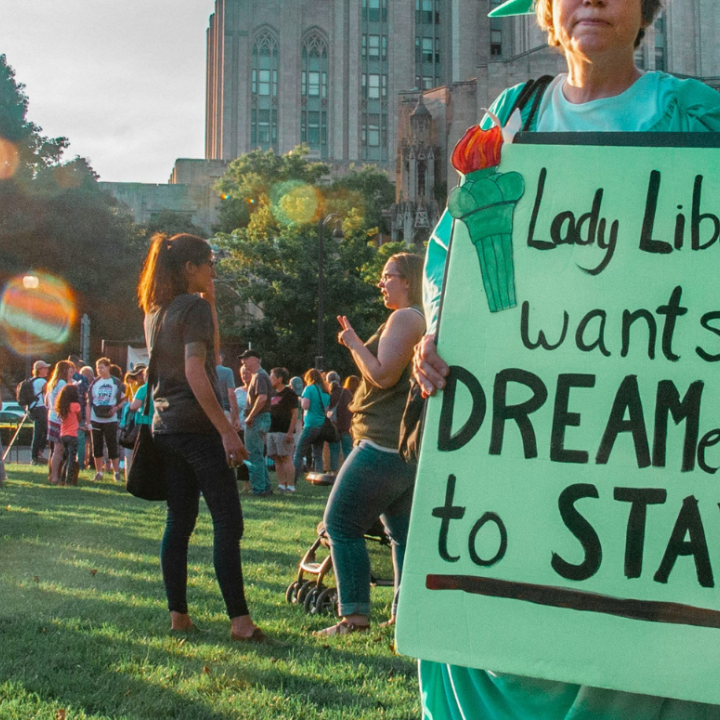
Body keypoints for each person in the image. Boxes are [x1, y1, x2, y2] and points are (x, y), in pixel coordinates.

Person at [412, 0, 720, 717]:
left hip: (647, 443)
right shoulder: (511, 118)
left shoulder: (696, 118)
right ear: (546, 12)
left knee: (641, 639)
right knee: (503, 618)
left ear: (643, 9)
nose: (591, 1)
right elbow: (448, 253)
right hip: (521, 439)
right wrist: (438, 331)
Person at [138, 232, 266, 642]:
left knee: (180, 521)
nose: (214, 269)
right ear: (190, 267)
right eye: (209, 262)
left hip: (165, 427)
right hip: (196, 427)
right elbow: (197, 371)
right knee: (228, 521)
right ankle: (240, 622)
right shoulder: (192, 307)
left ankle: (179, 616)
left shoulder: (155, 311)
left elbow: (190, 360)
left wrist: (209, 301)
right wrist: (227, 430)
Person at [316, 252, 426, 636]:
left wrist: (352, 343)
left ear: (408, 281)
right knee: (400, 535)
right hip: (403, 447)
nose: (381, 283)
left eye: (388, 275)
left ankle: (354, 618)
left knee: (340, 523)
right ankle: (404, 614)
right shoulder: (415, 319)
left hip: (383, 442)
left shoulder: (406, 318)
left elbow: (381, 375)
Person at [239, 349, 273, 496]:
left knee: (253, 455)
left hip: (257, 419)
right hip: (261, 418)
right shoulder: (258, 375)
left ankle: (258, 489)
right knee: (258, 454)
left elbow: (262, 398)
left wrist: (250, 416)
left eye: (247, 358)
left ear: (256, 359)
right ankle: (265, 487)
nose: (243, 361)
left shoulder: (259, 376)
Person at [89, 357, 125, 483]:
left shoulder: (116, 382)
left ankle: (116, 472)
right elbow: (90, 401)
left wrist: (116, 408)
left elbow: (124, 397)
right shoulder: (95, 383)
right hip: (96, 417)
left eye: (102, 367)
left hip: (110, 418)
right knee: (97, 445)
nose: (99, 370)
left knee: (112, 444)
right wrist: (89, 420)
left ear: (108, 367)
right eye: (97, 368)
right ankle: (99, 471)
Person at [292, 369, 330, 482]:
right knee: (317, 454)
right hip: (322, 426)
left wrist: (299, 399)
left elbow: (305, 406)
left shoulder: (309, 389)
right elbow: (326, 410)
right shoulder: (325, 390)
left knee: (299, 453)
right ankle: (318, 478)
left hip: (310, 424)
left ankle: (293, 478)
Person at [267, 367, 298, 493]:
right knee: (277, 458)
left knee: (286, 457)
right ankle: (281, 484)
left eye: (272, 377)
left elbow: (295, 413)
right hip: (272, 430)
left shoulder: (290, 394)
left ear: (280, 379)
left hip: (284, 431)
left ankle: (290, 486)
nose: (270, 379)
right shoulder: (273, 393)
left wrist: (290, 432)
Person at [46, 360, 74, 485]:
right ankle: (55, 477)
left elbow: (47, 402)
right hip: (60, 418)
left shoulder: (52, 383)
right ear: (64, 370)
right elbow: (65, 400)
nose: (71, 372)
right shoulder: (62, 383)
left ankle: (52, 475)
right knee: (59, 449)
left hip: (52, 416)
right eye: (70, 370)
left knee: (56, 449)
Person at [326, 371, 353, 472]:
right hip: (346, 426)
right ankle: (349, 471)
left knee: (334, 451)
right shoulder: (346, 392)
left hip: (333, 427)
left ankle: (334, 472)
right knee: (348, 450)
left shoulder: (329, 394)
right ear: (339, 380)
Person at [55, 383, 81, 486]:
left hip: (63, 435)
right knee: (72, 459)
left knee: (66, 458)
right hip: (73, 435)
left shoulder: (62, 407)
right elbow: (79, 418)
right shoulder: (76, 406)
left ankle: (61, 479)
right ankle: (69, 481)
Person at [28, 360, 50, 465]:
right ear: (40, 370)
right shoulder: (42, 382)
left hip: (32, 409)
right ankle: (37, 455)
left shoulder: (30, 381)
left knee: (37, 433)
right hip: (41, 408)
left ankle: (35, 456)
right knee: (45, 432)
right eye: (45, 368)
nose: (47, 370)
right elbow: (47, 396)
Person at [234, 364, 252, 491]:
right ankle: (245, 484)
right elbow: (233, 409)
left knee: (254, 455)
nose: (245, 376)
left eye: (247, 373)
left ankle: (256, 482)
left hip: (253, 428)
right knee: (242, 456)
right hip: (240, 428)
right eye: (243, 373)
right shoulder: (237, 391)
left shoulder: (257, 389)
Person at [216, 353, 241, 431]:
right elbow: (231, 395)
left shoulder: (203, 371)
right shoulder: (226, 372)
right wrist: (237, 418)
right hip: (224, 410)